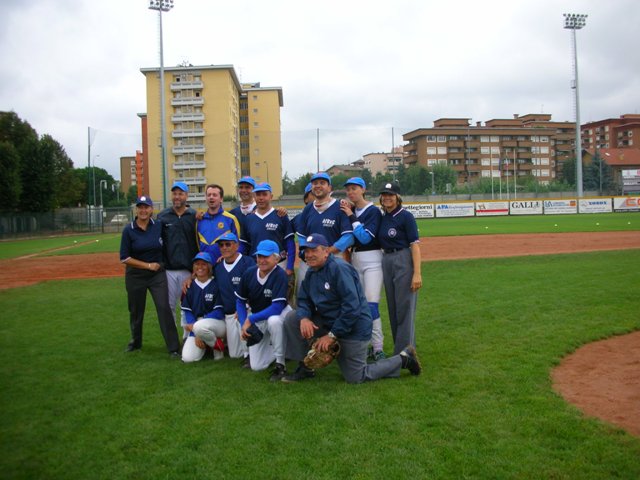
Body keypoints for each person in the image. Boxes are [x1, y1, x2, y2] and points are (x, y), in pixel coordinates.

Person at [282, 233, 421, 383]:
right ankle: (306, 367)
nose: (309, 255)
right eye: (306, 251)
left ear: (326, 251)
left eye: (314, 250)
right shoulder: (311, 272)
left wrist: (331, 335)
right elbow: (303, 300)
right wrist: (304, 317)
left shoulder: (340, 269)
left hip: (355, 327)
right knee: (293, 318)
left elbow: (352, 308)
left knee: (356, 376)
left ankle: (404, 359)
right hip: (330, 322)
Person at [119, 195, 181, 357]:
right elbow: (124, 258)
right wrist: (147, 265)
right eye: (140, 207)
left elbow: (174, 226)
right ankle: (136, 341)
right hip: (136, 275)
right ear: (136, 210)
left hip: (156, 275)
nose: (143, 210)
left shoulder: (158, 225)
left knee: (163, 308)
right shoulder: (129, 230)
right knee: (136, 311)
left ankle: (173, 347)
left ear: (152, 209)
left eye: (146, 207)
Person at [339, 177, 385, 360]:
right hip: (355, 259)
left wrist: (351, 216)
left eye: (354, 188)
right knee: (358, 306)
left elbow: (365, 238)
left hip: (373, 259)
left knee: (371, 305)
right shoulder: (348, 210)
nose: (351, 192)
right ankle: (365, 345)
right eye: (348, 189)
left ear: (363, 189)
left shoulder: (373, 211)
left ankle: (378, 347)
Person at [235, 240, 292, 381]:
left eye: (266, 256)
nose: (261, 260)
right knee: (257, 366)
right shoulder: (249, 273)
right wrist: (244, 324)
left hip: (280, 314)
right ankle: (282, 348)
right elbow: (240, 301)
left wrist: (250, 319)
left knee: (273, 321)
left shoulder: (280, 275)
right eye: (259, 256)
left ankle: (280, 364)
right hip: (259, 314)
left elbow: (277, 308)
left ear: (277, 258)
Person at [378, 182, 422, 355]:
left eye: (391, 194)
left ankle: (405, 351)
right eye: (384, 194)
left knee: (404, 308)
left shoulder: (406, 216)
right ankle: (403, 350)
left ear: (398, 197)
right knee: (393, 308)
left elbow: (415, 246)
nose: (387, 197)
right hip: (386, 260)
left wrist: (417, 273)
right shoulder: (383, 217)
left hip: (403, 258)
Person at [157, 181, 198, 338]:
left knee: (188, 306)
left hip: (189, 270)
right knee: (169, 306)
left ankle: (188, 338)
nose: (177, 196)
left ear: (186, 196)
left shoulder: (194, 216)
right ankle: (172, 339)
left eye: (181, 193)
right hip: (169, 270)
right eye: (174, 193)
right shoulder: (163, 216)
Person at [212, 232, 255, 368]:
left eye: (228, 244)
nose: (224, 247)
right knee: (235, 354)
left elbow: (255, 287)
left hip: (246, 310)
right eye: (221, 245)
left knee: (244, 321)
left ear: (236, 245)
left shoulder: (248, 262)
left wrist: (247, 305)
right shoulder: (218, 267)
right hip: (229, 314)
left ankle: (250, 356)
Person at [240, 182, 296, 278]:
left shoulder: (280, 216)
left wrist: (289, 267)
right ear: (254, 196)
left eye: (264, 194)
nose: (261, 198)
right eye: (258, 194)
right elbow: (243, 246)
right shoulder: (248, 219)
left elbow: (290, 243)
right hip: (256, 264)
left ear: (271, 196)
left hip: (279, 264)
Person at [180, 252, 226, 363]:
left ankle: (217, 347)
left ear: (209, 267)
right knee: (187, 359)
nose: (200, 267)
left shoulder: (216, 285)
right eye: (197, 264)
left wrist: (197, 327)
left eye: (203, 264)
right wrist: (196, 330)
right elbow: (188, 311)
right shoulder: (190, 286)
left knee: (201, 326)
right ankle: (210, 344)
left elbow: (219, 312)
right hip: (196, 325)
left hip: (216, 324)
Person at [196, 183, 242, 263]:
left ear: (221, 199)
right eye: (209, 195)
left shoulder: (231, 219)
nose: (211, 197)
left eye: (214, 195)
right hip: (205, 266)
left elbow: (238, 244)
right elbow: (197, 245)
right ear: (206, 198)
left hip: (224, 264)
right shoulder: (200, 220)